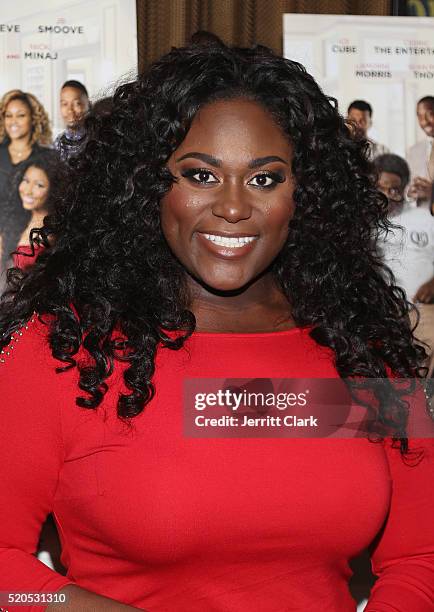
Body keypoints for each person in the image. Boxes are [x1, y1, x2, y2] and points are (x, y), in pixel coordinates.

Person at [0, 44, 433, 611]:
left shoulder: (363, 349)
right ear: (146, 185)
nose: (232, 207)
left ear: (306, 193)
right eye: (201, 174)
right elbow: (10, 575)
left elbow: (419, 557)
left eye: (265, 179)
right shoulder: (66, 350)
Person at [376, 153, 434, 375]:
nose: (387, 197)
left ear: (404, 189)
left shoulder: (424, 219)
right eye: (379, 188)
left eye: (394, 190)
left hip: (422, 314)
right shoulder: (363, 222)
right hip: (383, 318)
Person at [0, 90, 52, 259]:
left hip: (29, 246)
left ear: (33, 119)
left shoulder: (47, 158)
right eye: (8, 116)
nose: (13, 122)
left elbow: (53, 207)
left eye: (21, 115)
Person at [0, 151, 64, 272]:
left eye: (39, 185)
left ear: (53, 189)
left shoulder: (53, 234)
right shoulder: (17, 220)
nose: (28, 191)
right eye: (26, 180)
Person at [407, 96, 434, 206]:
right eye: (420, 116)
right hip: (420, 217)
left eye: (430, 114)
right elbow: (407, 187)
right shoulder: (414, 151)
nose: (425, 121)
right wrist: (409, 193)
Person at [53, 80, 90, 161]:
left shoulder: (96, 140)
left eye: (77, 103)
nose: (70, 110)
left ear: (89, 104)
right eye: (64, 104)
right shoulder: (57, 144)